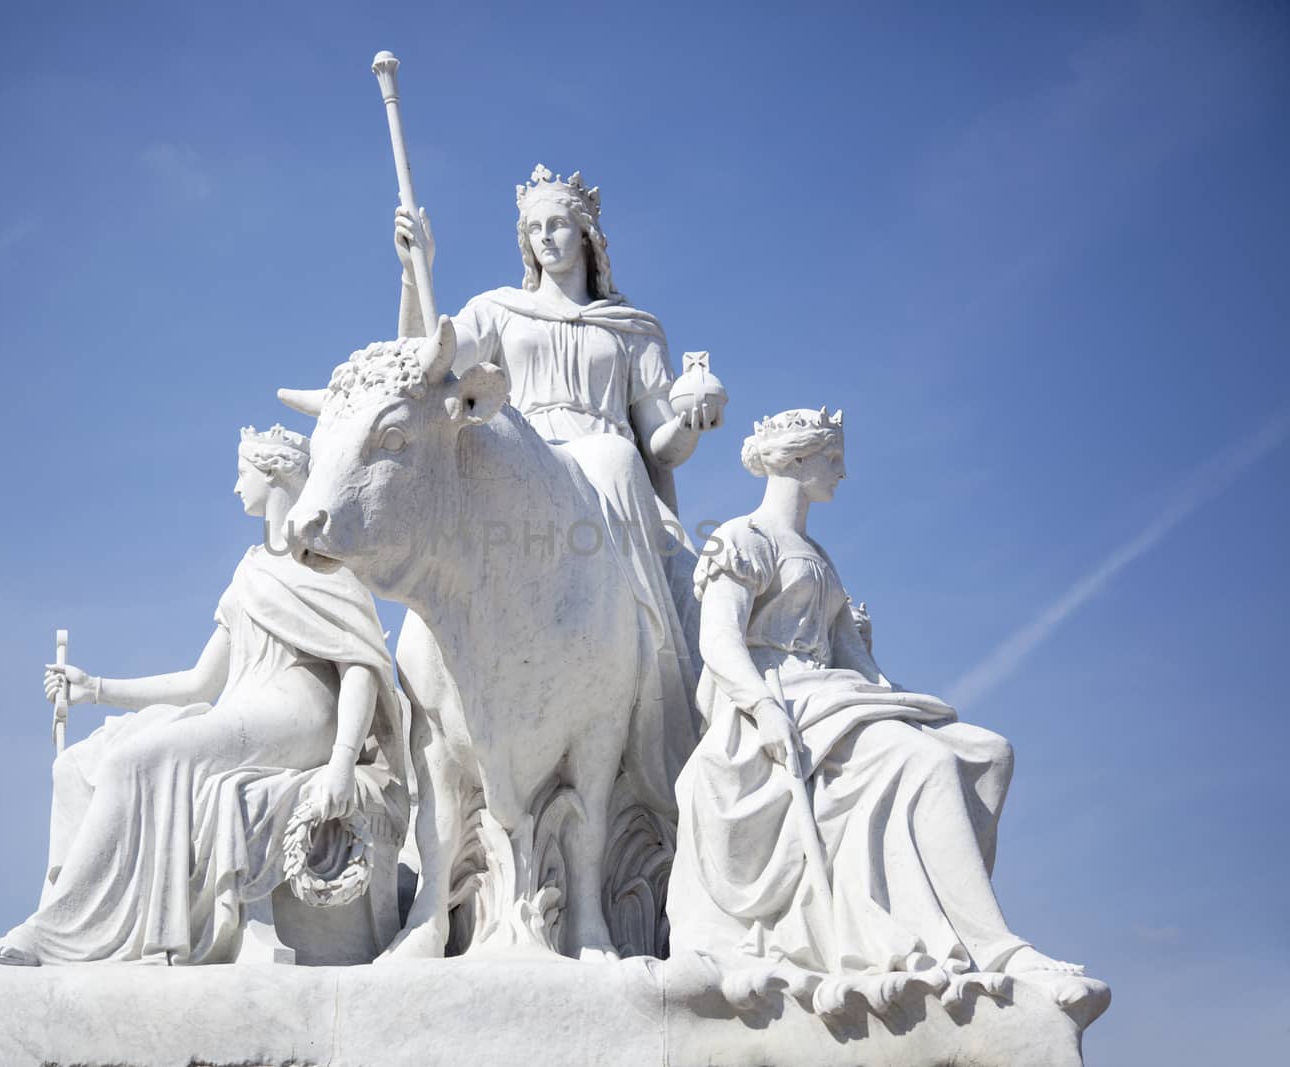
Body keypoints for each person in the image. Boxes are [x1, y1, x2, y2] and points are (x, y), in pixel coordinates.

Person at [0, 425, 406, 966]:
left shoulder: (327, 566)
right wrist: (95, 689)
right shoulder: (249, 572)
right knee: (91, 760)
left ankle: (55, 935)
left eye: (243, 472)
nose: (235, 487)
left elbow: (361, 664)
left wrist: (341, 762)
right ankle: (76, 917)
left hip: (300, 714)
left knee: (140, 760)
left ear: (273, 475)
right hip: (247, 708)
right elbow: (200, 683)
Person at [666, 407, 1081, 978]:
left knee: (988, 753)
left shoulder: (821, 559)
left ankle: (936, 916)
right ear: (796, 460)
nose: (841, 471)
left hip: (836, 696)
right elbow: (717, 640)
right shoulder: (741, 538)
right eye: (831, 458)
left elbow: (859, 666)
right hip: (780, 697)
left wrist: (889, 689)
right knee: (928, 761)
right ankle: (993, 946)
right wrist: (764, 708)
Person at [394, 166, 715, 780]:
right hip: (523, 468)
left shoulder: (633, 330)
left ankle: (669, 725)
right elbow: (422, 364)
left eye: (559, 225)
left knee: (694, 591)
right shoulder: (497, 311)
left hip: (613, 481)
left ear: (587, 236)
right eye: (534, 227)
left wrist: (692, 422)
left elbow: (661, 449)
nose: (546, 238)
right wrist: (416, 274)